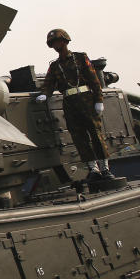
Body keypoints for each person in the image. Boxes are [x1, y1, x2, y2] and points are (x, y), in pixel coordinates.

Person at [34, 28, 114, 181]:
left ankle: (105, 168)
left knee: (96, 135)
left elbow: (94, 80)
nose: (56, 45)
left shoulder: (80, 58)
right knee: (79, 138)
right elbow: (49, 83)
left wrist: (98, 100)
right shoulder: (55, 66)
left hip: (87, 100)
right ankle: (93, 169)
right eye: (53, 43)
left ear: (65, 41)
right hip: (69, 103)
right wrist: (45, 94)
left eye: (57, 41)